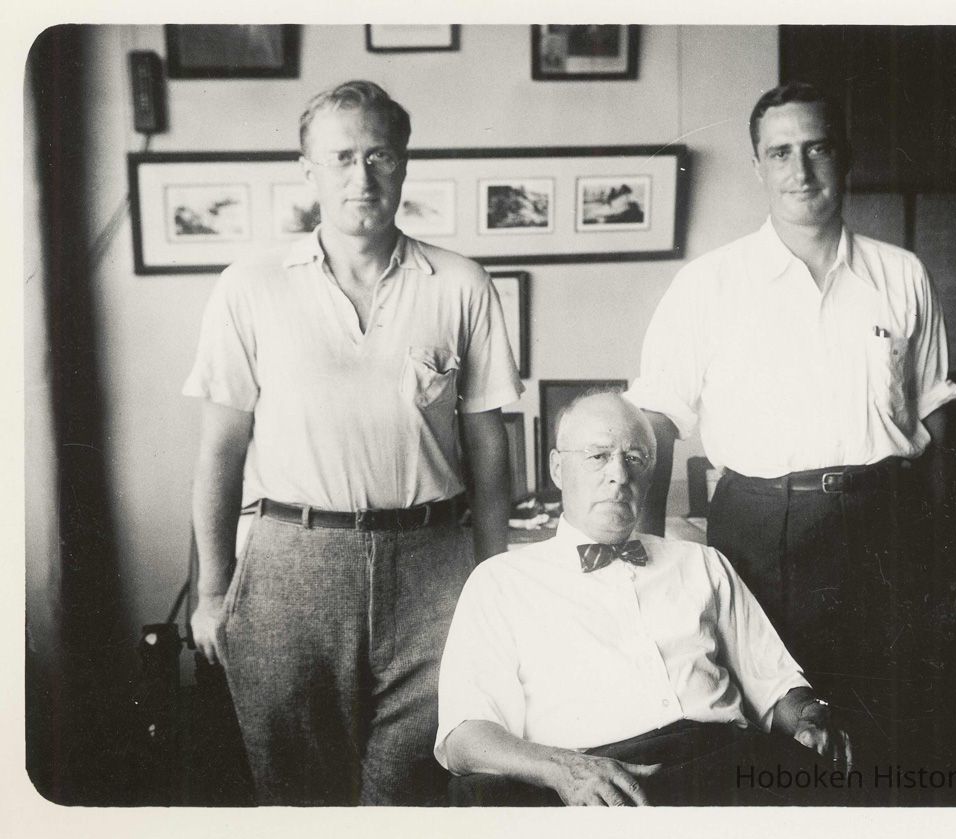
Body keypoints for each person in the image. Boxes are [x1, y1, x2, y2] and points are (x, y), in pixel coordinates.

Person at [183, 80, 523, 805]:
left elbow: (490, 448)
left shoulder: (459, 283)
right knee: (299, 794)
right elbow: (220, 449)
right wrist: (213, 589)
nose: (360, 177)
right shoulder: (251, 286)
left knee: (417, 787)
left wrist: (497, 585)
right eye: (340, 158)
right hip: (289, 565)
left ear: (404, 165)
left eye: (379, 156)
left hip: (434, 568)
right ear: (307, 169)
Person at [626, 81, 956, 768]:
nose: (800, 171)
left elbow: (936, 427)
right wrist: (654, 559)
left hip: (886, 523)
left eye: (817, 149)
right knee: (775, 735)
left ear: (846, 157)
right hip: (761, 529)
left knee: (896, 724)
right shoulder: (708, 285)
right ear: (758, 166)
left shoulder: (901, 275)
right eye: (780, 153)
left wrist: (945, 553)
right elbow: (656, 428)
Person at [435, 392, 851, 807]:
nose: (619, 475)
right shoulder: (502, 582)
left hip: (729, 767)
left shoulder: (702, 563)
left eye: (634, 458)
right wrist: (564, 769)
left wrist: (810, 717)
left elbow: (779, 687)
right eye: (597, 456)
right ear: (558, 468)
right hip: (599, 783)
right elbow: (465, 737)